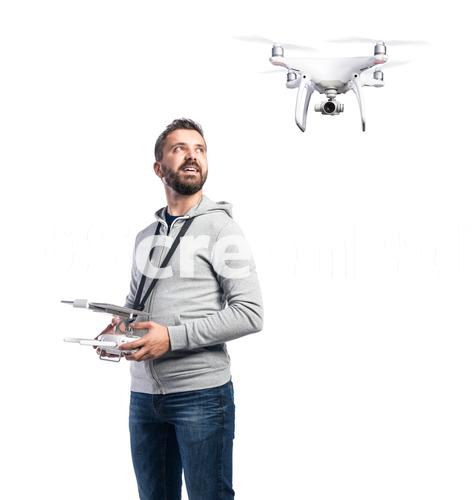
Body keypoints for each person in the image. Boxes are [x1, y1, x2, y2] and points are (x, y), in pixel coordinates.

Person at [100, 118, 263, 500]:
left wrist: (170, 339)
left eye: (200, 149)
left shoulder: (223, 231)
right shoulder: (146, 236)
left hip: (202, 396)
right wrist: (118, 328)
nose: (192, 156)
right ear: (159, 168)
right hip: (143, 396)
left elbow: (250, 312)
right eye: (180, 149)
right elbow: (135, 304)